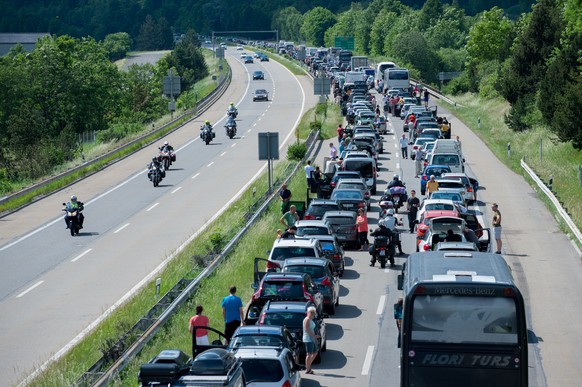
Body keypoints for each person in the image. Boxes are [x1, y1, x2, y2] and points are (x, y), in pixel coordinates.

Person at [303, 306, 321, 374]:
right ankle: (307, 369)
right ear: (308, 312)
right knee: (309, 354)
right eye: (311, 312)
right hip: (308, 339)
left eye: (313, 312)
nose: (313, 314)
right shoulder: (307, 319)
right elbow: (307, 330)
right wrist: (314, 336)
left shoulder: (310, 320)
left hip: (312, 338)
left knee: (315, 353)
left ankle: (308, 366)